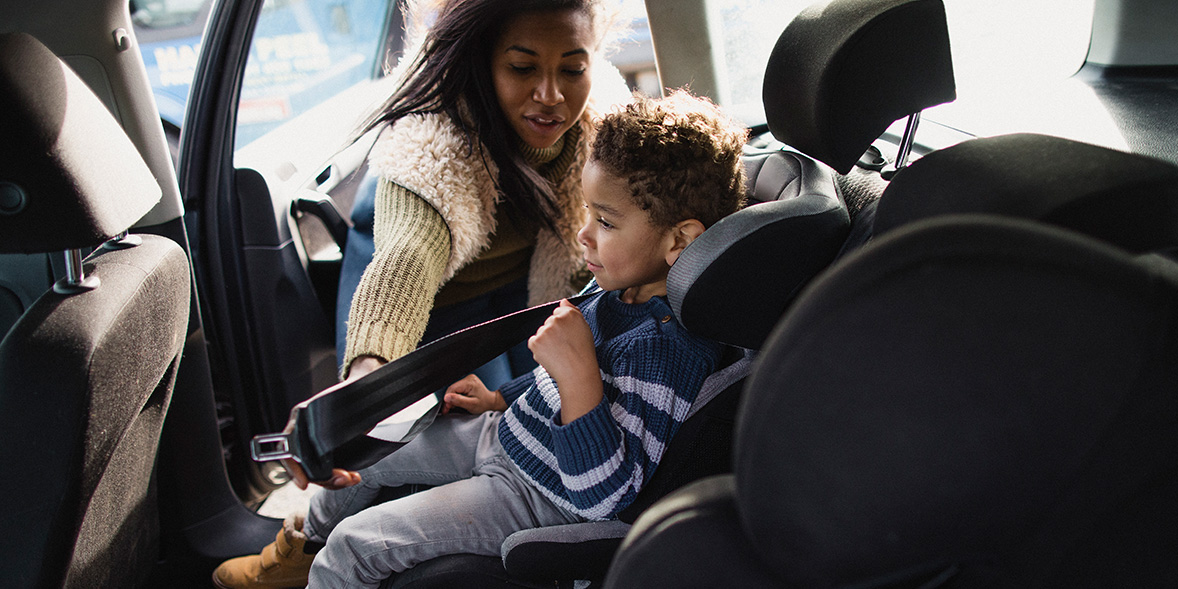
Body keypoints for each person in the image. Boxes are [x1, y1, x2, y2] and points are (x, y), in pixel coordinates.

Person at [212, 89, 749, 589]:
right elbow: (547, 387)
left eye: (605, 221)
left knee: (357, 545)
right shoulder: (616, 290)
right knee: (369, 448)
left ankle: (327, 565)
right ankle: (302, 549)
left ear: (680, 239)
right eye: (588, 211)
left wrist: (579, 375)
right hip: (506, 432)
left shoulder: (669, 352)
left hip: (542, 495)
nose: (584, 233)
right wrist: (500, 398)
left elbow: (604, 494)